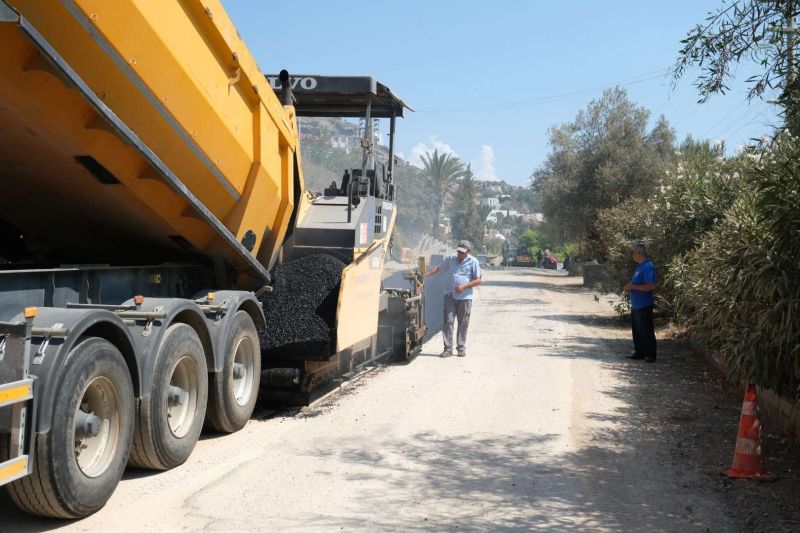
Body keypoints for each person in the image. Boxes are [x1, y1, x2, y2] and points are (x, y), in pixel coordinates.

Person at [424, 240, 482, 357]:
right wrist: (425, 275)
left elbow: (478, 280)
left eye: (463, 252)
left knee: (463, 323)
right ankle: (448, 349)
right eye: (459, 251)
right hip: (450, 296)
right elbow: (438, 269)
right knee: (448, 321)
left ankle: (461, 348)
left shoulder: (473, 261)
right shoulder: (450, 259)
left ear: (468, 252)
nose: (460, 254)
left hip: (465, 298)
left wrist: (464, 286)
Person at [624, 243, 657, 363]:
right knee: (637, 331)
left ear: (639, 254)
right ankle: (639, 352)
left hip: (644, 305)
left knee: (646, 330)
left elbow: (650, 286)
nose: (633, 255)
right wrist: (630, 287)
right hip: (636, 305)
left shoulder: (647, 267)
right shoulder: (639, 266)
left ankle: (650, 355)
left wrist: (632, 286)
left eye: (634, 253)